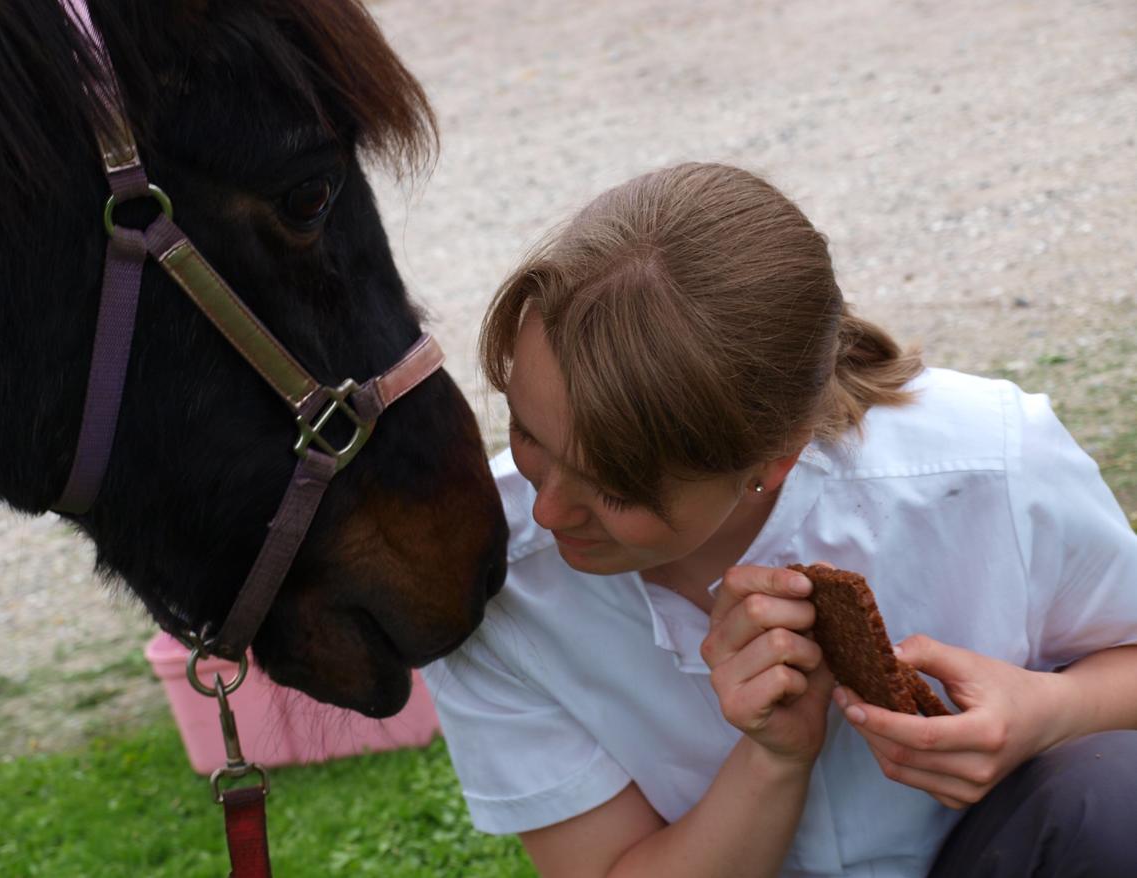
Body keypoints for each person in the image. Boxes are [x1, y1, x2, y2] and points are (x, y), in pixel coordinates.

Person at [421, 162, 1137, 877]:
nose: (546, 510)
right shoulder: (490, 578)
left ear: (775, 457)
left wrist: (1052, 709)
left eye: (615, 489)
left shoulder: (992, 464)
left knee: (1107, 800)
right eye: (527, 434)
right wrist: (771, 760)